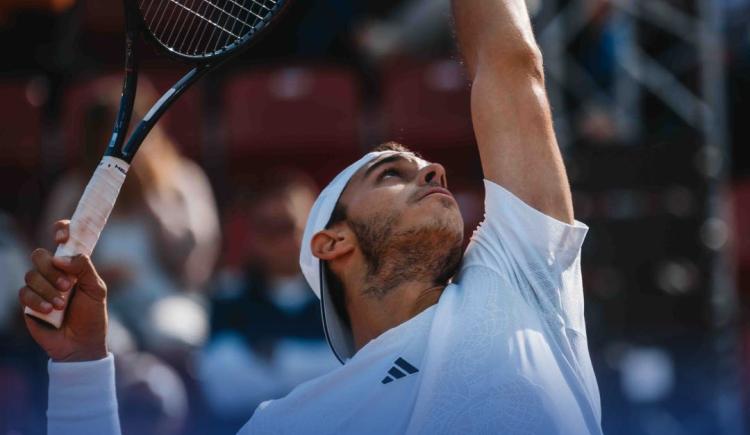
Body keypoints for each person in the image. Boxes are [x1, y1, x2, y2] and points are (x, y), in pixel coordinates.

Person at [19, 1, 602, 433]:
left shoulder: (522, 279)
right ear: (330, 242)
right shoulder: (289, 422)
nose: (434, 173)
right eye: (392, 173)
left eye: (425, 168)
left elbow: (510, 63)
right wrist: (80, 369)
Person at [38, 76, 221, 358]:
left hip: (170, 298)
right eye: (111, 128)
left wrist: (152, 195)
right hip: (101, 306)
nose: (125, 136)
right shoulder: (72, 190)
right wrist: (96, 278)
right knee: (109, 345)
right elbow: (52, 264)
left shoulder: (185, 180)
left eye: (134, 124)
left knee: (173, 336)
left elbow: (197, 267)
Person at [197, 170, 338, 427]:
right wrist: (310, 369)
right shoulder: (229, 296)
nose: (275, 240)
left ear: (312, 229)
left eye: (285, 227)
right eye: (264, 228)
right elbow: (221, 385)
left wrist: (274, 357)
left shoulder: (338, 297)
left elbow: (351, 374)